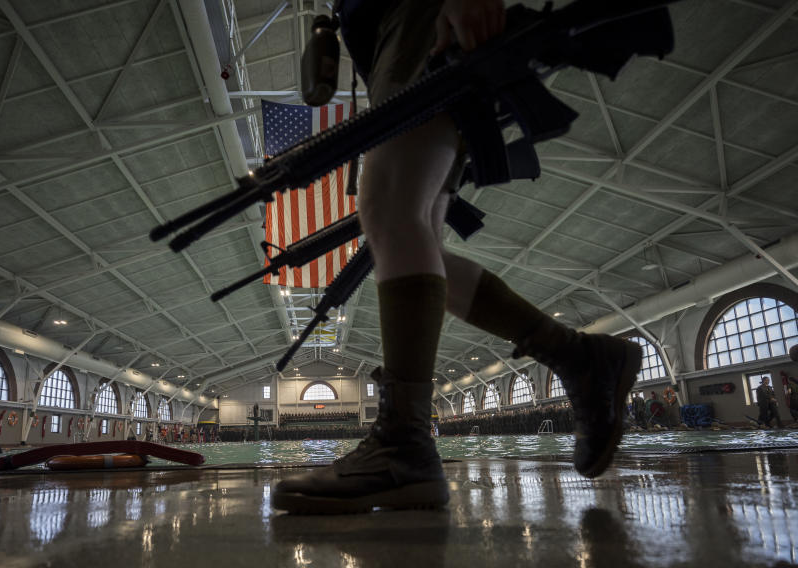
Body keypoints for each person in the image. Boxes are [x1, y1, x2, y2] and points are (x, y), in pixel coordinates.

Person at [271, 0, 641, 514]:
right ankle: (580, 356)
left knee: (390, 206)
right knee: (409, 237)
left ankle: (402, 445)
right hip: (382, 38)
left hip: (411, 16)